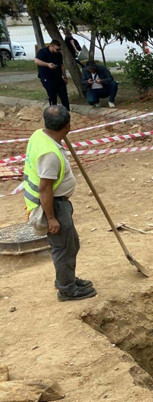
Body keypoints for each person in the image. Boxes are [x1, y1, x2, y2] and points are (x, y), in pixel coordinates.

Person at [22, 106, 96, 301]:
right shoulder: (50, 154)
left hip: (56, 203)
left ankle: (66, 278)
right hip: (53, 205)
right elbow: (45, 187)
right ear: (67, 126)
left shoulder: (40, 135)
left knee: (71, 244)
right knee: (63, 247)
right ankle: (67, 289)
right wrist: (51, 218)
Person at [34, 40, 70, 110]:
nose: (58, 51)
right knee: (52, 96)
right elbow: (36, 61)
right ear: (51, 46)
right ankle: (53, 112)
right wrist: (47, 64)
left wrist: (65, 77)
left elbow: (62, 66)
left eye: (60, 49)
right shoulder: (43, 52)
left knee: (64, 95)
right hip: (47, 78)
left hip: (58, 78)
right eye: (57, 49)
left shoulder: (59, 54)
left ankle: (67, 111)